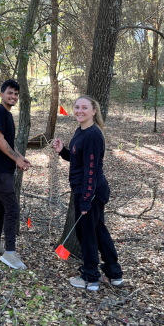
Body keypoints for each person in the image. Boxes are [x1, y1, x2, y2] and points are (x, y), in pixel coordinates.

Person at [52, 95, 123, 290]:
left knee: (87, 233)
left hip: (89, 190)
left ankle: (90, 277)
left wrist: (85, 199)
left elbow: (90, 170)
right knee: (98, 230)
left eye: (84, 107)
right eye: (76, 107)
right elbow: (80, 160)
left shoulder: (92, 134)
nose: (79, 111)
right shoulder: (81, 131)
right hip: (88, 189)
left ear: (94, 111)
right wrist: (63, 151)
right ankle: (113, 273)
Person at [0, 79, 31, 270]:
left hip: (4, 168)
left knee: (2, 207)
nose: (13, 96)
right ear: (1, 93)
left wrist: (20, 157)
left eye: (16, 94)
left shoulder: (7, 115)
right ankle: (10, 253)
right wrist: (16, 159)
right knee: (12, 209)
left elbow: (8, 144)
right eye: (10, 93)